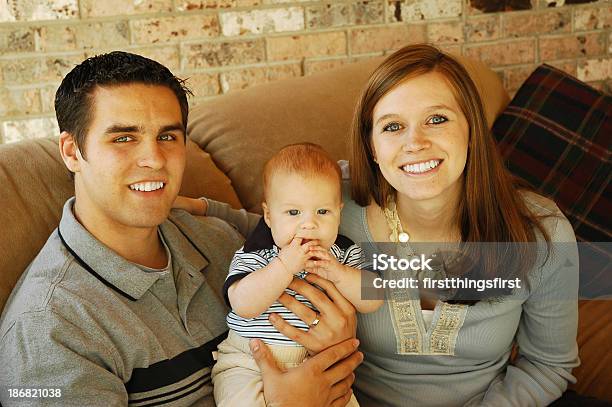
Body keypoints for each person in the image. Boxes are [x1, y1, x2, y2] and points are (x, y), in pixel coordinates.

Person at [187, 44, 580, 406]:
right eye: (393, 126)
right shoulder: (337, 205)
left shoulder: (540, 233)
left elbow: (547, 366)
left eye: (437, 119)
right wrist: (197, 206)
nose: (415, 143)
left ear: (472, 129)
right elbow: (270, 223)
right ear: (372, 146)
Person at [0, 51, 362, 407]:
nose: (154, 160)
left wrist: (340, 338)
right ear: (72, 151)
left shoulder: (217, 238)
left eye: (168, 137)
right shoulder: (50, 330)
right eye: (123, 138)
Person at [177, 143, 382, 406]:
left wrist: (339, 273)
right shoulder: (258, 254)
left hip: (320, 364)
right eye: (293, 212)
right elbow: (242, 304)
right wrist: (283, 267)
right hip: (249, 361)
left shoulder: (342, 253)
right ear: (269, 216)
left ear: (339, 212)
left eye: (323, 211)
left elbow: (374, 297)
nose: (309, 223)